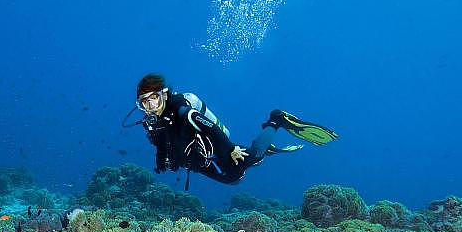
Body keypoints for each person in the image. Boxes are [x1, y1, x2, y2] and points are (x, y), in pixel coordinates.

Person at [135, 73, 338, 189]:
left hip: (219, 147)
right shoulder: (153, 123)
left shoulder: (184, 112)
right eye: (144, 102)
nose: (150, 106)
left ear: (164, 94)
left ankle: (276, 121)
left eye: (153, 98)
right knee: (232, 179)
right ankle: (265, 146)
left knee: (254, 158)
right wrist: (162, 161)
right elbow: (163, 143)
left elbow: (212, 128)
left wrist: (231, 148)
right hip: (199, 160)